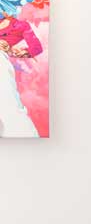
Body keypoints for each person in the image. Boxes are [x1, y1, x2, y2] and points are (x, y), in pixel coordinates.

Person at [0, 10, 43, 138]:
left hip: (1, 61)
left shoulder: (20, 25)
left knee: (8, 105)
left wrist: (14, 51)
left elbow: (36, 48)